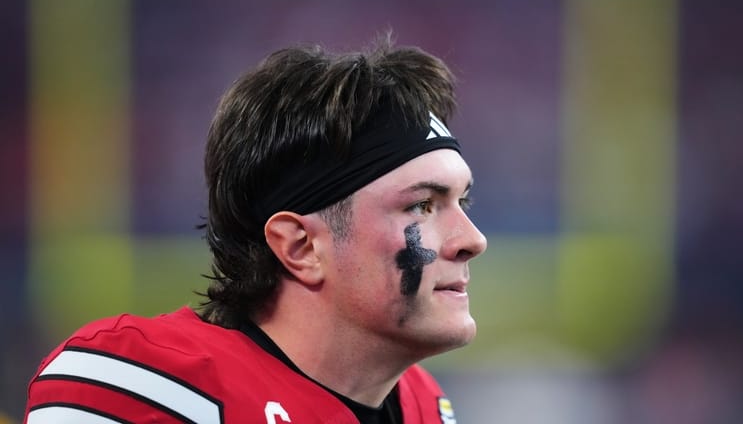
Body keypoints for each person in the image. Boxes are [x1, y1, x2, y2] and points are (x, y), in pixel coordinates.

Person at [24, 35, 487, 424]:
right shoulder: (149, 390)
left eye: (461, 201)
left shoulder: (422, 403)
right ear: (300, 247)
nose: (472, 239)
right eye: (423, 205)